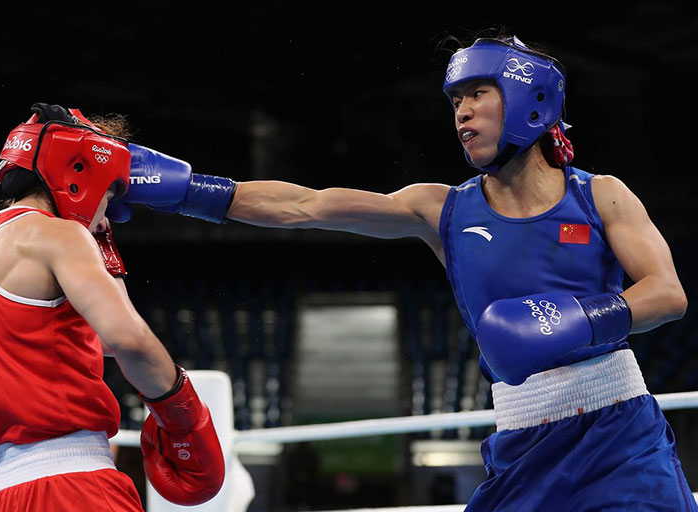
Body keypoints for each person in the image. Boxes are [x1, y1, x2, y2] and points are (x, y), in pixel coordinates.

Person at [108, 31, 697, 510]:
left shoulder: (603, 196)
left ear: (529, 100)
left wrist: (575, 319)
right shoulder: (441, 208)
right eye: (456, 101)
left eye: (478, 94)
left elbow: (667, 293)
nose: (461, 113)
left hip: (621, 435)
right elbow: (305, 206)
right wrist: (189, 191)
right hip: (524, 443)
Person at [0, 103, 225, 511]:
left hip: (3, 492)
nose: (106, 212)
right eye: (110, 194)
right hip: (75, 487)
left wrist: (105, 254)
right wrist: (182, 417)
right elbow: (129, 340)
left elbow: (90, 339)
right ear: (78, 175)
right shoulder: (57, 236)